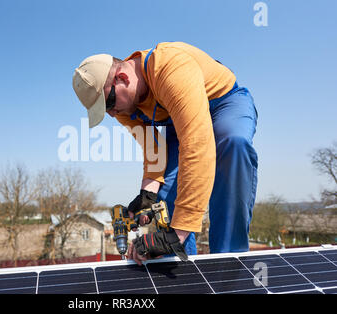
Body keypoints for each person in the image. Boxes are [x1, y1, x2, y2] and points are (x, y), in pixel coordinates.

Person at [72, 42, 258, 265]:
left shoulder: (170, 69)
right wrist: (147, 193)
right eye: (105, 110)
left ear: (123, 78)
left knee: (233, 146)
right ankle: (178, 271)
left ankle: (229, 262)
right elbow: (153, 148)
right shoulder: (124, 106)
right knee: (166, 195)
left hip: (223, 102)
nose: (112, 114)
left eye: (109, 103)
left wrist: (178, 234)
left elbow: (197, 144)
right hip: (178, 117)